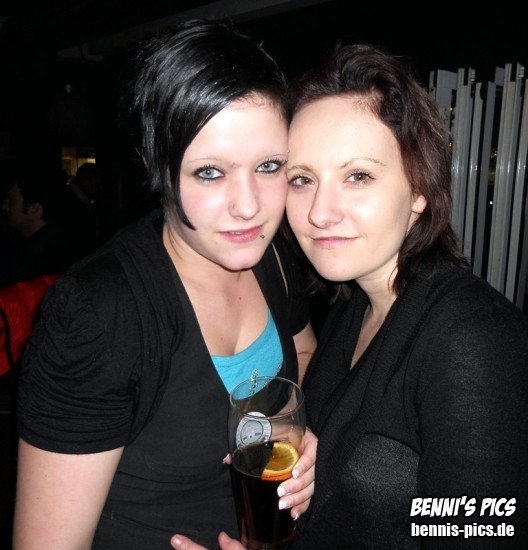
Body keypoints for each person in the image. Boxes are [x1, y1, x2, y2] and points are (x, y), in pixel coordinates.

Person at [172, 43, 528, 550]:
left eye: (357, 176)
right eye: (302, 179)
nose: (320, 212)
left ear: (420, 189)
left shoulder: (474, 340)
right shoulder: (354, 306)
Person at [13, 19, 317, 550]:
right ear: (156, 165)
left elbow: (304, 351)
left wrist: (293, 431)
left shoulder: (272, 257)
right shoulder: (97, 315)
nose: (249, 206)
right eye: (210, 172)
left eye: (269, 166)